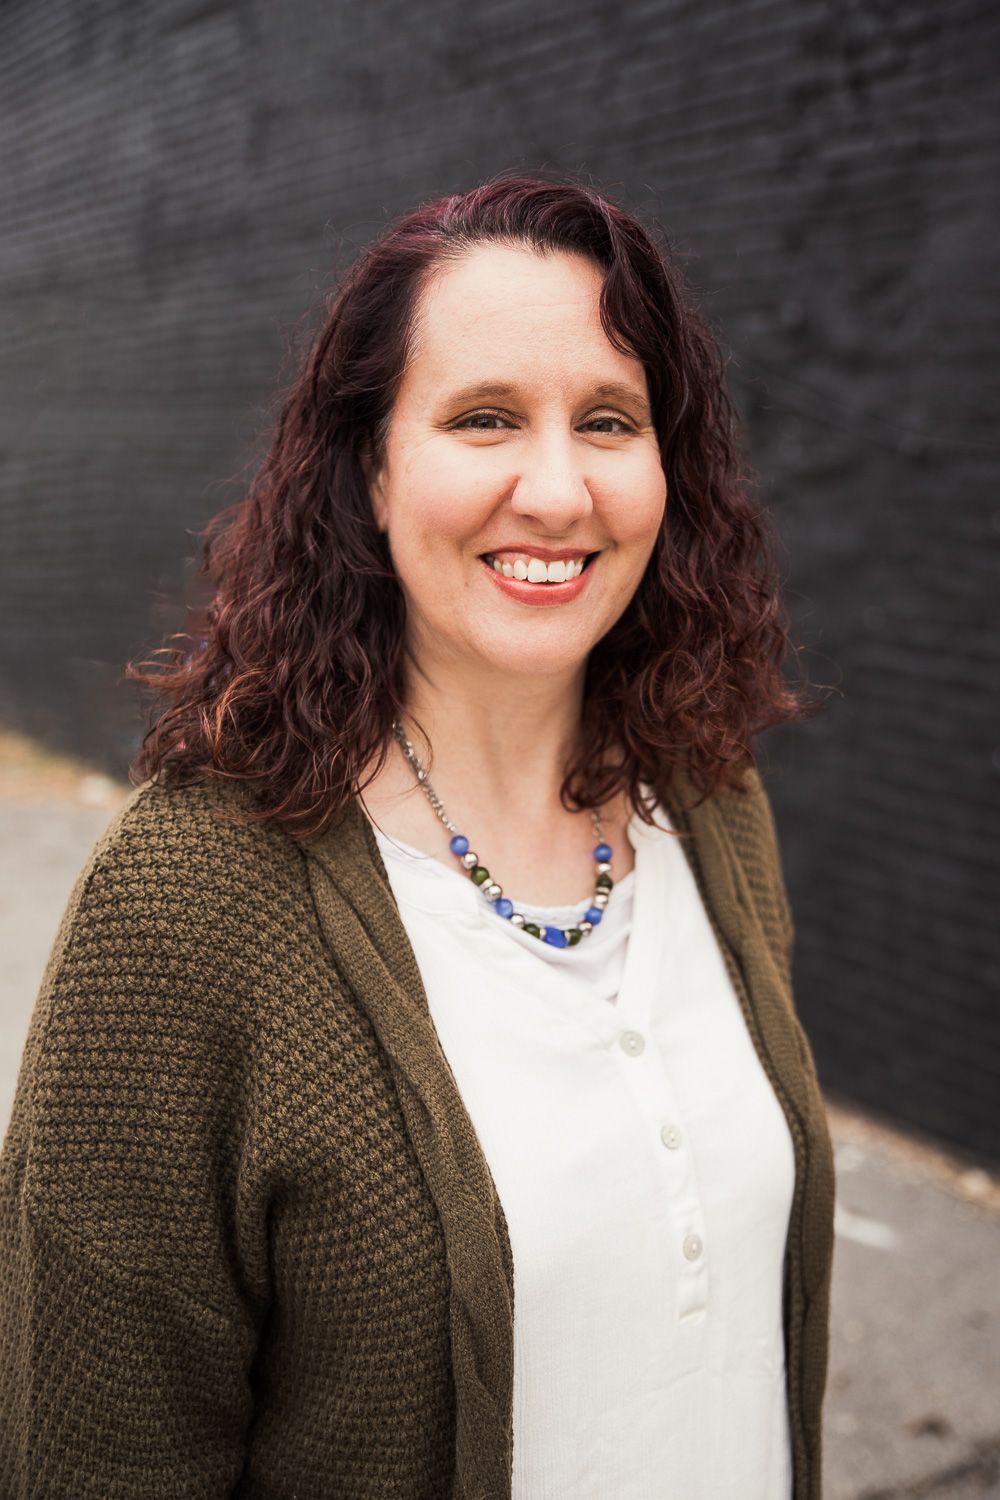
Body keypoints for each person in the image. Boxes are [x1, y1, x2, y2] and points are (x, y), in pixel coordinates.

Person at [0, 172, 836, 1499]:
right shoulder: (187, 904)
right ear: (370, 471)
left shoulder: (710, 804)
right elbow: (100, 1452)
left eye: (610, 421)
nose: (558, 491)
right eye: (486, 417)